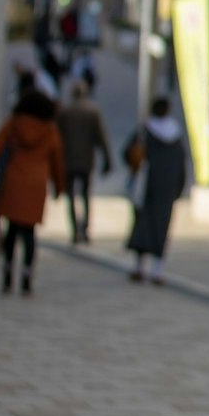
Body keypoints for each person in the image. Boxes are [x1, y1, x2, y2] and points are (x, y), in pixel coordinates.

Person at [0, 88, 64, 296]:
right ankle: (27, 277)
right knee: (29, 232)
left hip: (13, 181)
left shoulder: (14, 124)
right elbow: (57, 161)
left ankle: (7, 274)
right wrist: (59, 187)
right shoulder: (49, 130)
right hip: (36, 184)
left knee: (12, 229)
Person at [124, 96, 189, 284]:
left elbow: (128, 153)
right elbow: (181, 165)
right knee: (162, 226)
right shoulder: (175, 136)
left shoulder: (145, 131)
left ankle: (138, 266)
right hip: (166, 188)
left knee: (142, 223)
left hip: (146, 186)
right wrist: (178, 188)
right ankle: (157, 270)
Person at [54, 81, 112, 244]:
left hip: (69, 160)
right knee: (86, 195)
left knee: (71, 196)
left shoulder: (66, 112)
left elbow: (56, 138)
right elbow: (101, 137)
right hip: (86, 160)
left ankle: (75, 229)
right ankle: (85, 229)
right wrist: (107, 159)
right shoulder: (92, 111)